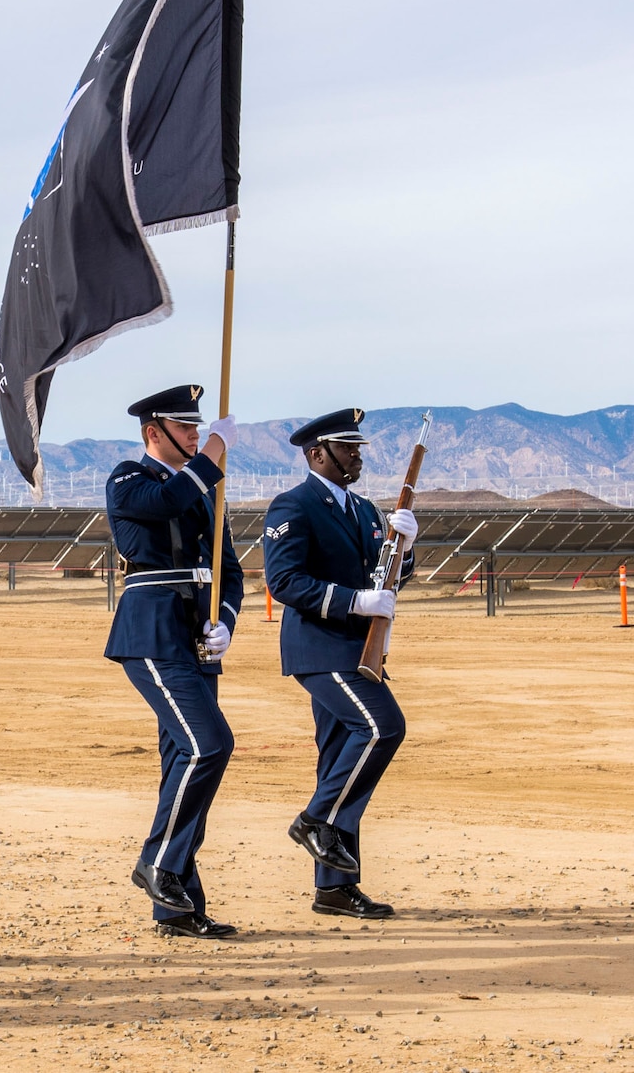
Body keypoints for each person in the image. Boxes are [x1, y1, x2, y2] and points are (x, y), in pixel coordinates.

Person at [260, 408, 418, 920]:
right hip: (319, 648)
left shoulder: (369, 511)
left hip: (358, 650)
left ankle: (335, 887)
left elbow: (386, 579)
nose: (357, 456)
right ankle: (314, 820)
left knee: (339, 762)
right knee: (381, 727)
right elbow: (284, 582)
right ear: (316, 454)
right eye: (347, 448)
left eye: (358, 448)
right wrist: (355, 602)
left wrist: (407, 549)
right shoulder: (294, 506)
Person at [104, 384, 244, 938]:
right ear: (152, 433)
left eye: (198, 427)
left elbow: (227, 568)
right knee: (209, 744)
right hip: (153, 633)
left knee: (181, 766)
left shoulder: (207, 491)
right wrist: (210, 452)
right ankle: (158, 863)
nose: (195, 434)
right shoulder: (127, 478)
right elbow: (165, 504)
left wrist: (226, 621)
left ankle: (178, 905)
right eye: (185, 428)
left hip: (196, 638)